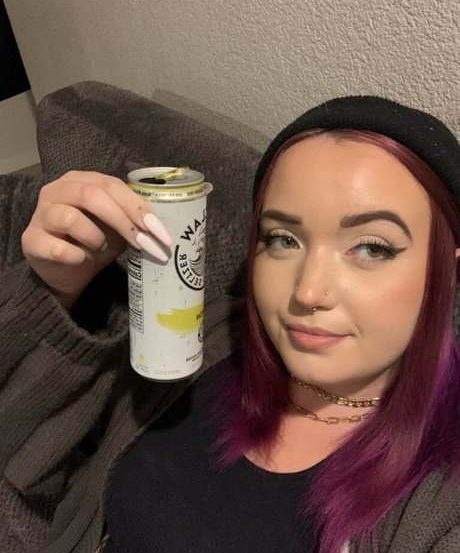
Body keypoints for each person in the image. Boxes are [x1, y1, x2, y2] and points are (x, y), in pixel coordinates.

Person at [1, 95, 460, 553]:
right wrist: (57, 291)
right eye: (283, 239)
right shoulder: (205, 338)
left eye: (372, 248)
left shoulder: (440, 499)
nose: (308, 292)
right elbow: (24, 457)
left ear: (448, 269)